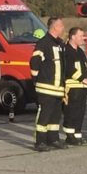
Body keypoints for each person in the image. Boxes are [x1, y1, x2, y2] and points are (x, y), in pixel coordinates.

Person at [29, 17, 68, 151]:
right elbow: (34, 62)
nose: (63, 28)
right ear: (54, 27)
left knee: (55, 116)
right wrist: (36, 79)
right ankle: (40, 141)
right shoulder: (43, 43)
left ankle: (53, 139)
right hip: (46, 87)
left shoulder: (60, 44)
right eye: (61, 25)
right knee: (44, 115)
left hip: (58, 88)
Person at [62, 27, 87, 146]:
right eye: (80, 36)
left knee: (80, 112)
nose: (82, 38)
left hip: (83, 87)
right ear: (73, 37)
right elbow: (69, 68)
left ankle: (77, 135)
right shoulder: (66, 51)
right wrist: (83, 79)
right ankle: (70, 136)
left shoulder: (80, 51)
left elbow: (86, 66)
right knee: (71, 112)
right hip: (72, 88)